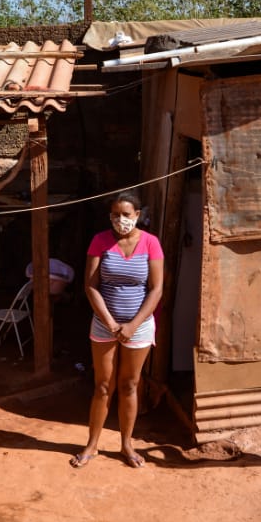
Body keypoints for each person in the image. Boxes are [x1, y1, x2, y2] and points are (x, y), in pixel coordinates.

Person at [71, 191, 164, 469]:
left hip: (139, 327)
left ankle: (126, 445)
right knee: (102, 386)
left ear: (137, 215)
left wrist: (132, 325)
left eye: (126, 214)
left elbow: (156, 289)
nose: (120, 219)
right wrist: (111, 323)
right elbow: (90, 285)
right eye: (115, 214)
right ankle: (92, 445)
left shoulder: (151, 243)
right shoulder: (100, 241)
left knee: (129, 385)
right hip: (104, 325)